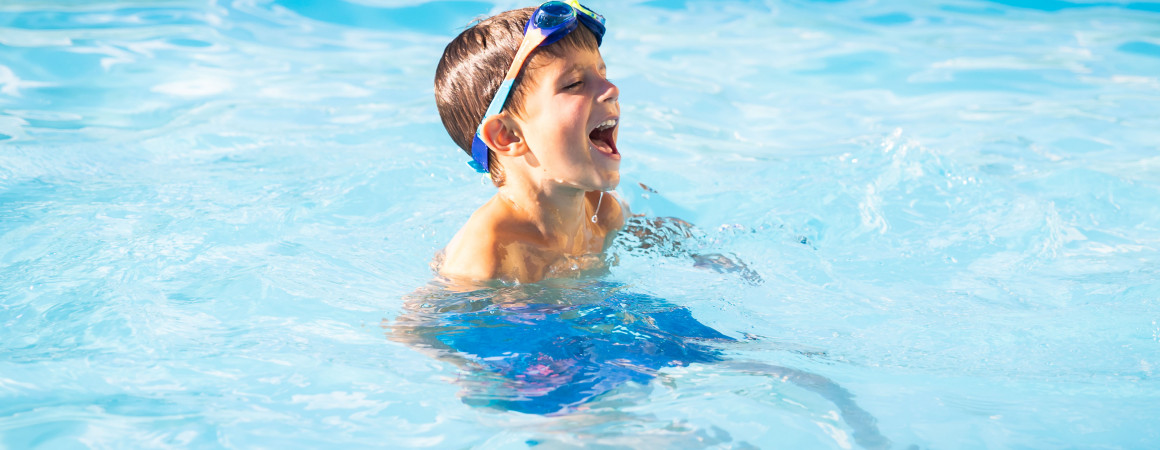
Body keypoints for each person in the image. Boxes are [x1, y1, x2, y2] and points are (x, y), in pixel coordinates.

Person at [433, 1, 624, 284]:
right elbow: (421, 324)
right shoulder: (487, 256)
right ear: (508, 136)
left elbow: (652, 233)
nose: (611, 89)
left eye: (602, 74)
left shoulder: (602, 213)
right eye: (573, 84)